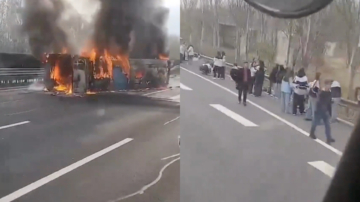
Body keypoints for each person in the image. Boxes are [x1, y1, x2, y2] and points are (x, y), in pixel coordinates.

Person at [309, 79, 335, 145]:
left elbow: (329, 103)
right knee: (315, 123)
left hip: (325, 111)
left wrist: (330, 112)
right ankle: (312, 133)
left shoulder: (329, 93)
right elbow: (318, 102)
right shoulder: (322, 93)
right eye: (329, 85)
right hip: (319, 110)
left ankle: (328, 138)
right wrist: (318, 110)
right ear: (326, 85)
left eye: (330, 85)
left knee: (327, 125)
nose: (330, 86)